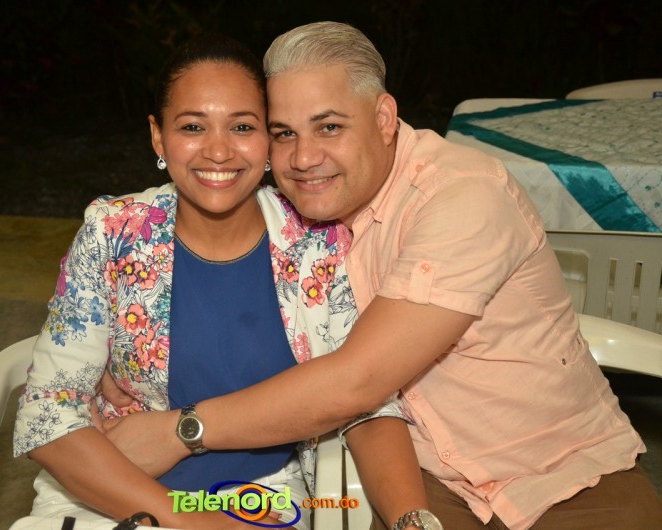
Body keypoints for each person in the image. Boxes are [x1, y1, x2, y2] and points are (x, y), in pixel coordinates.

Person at [97, 22, 662, 530]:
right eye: (284, 133)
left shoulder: (463, 196)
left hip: (562, 482)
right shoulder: (299, 219)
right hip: (420, 480)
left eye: (329, 127)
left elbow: (355, 382)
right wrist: (112, 344)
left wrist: (181, 430)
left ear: (385, 118)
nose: (303, 158)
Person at [12, 33, 426, 530]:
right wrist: (186, 522)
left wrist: (413, 521)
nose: (218, 151)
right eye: (192, 126)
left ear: (269, 138)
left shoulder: (317, 246)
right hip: (110, 493)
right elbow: (48, 415)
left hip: (261, 502)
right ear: (158, 137)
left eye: (242, 126)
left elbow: (368, 403)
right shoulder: (114, 234)